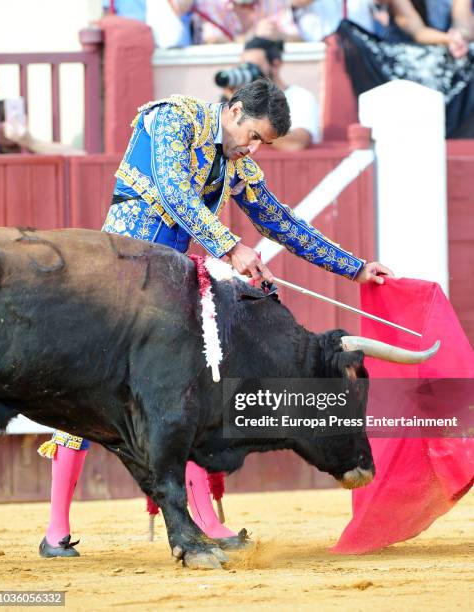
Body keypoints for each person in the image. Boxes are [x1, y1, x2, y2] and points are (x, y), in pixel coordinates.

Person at [39, 78, 393, 557]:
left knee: (186, 392)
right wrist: (229, 246)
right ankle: (56, 530)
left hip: (168, 283)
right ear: (235, 110)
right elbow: (173, 190)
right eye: (253, 136)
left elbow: (280, 221)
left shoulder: (234, 161)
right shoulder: (172, 117)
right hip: (117, 273)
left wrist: (355, 268)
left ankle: (203, 520)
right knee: (85, 388)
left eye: (262, 144)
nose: (253, 149)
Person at [337, 0, 474, 137]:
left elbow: (462, 19)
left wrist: (461, 36)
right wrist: (449, 40)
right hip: (405, 55)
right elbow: (417, 31)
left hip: (444, 52)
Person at [235, 36, 320, 147]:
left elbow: (296, 144)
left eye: (253, 67)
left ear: (275, 64)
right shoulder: (240, 99)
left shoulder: (300, 97)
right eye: (243, 67)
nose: (247, 73)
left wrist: (249, 120)